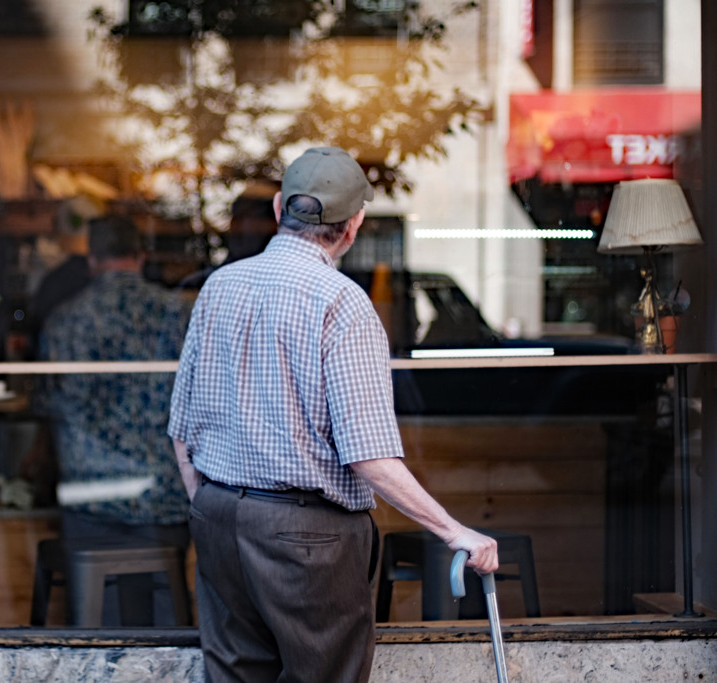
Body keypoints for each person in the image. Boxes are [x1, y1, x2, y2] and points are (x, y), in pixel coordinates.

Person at [167, 147, 499, 682]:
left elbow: (182, 433)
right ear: (354, 226)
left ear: (279, 208)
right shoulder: (340, 302)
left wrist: (215, 509)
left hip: (219, 517)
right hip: (308, 539)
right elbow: (369, 456)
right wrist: (452, 530)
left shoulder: (219, 287)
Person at [40, 213, 193, 626]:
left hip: (92, 493)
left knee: (101, 613)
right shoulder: (178, 314)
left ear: (91, 259)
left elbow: (52, 403)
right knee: (166, 605)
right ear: (141, 256)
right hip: (166, 494)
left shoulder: (65, 320)